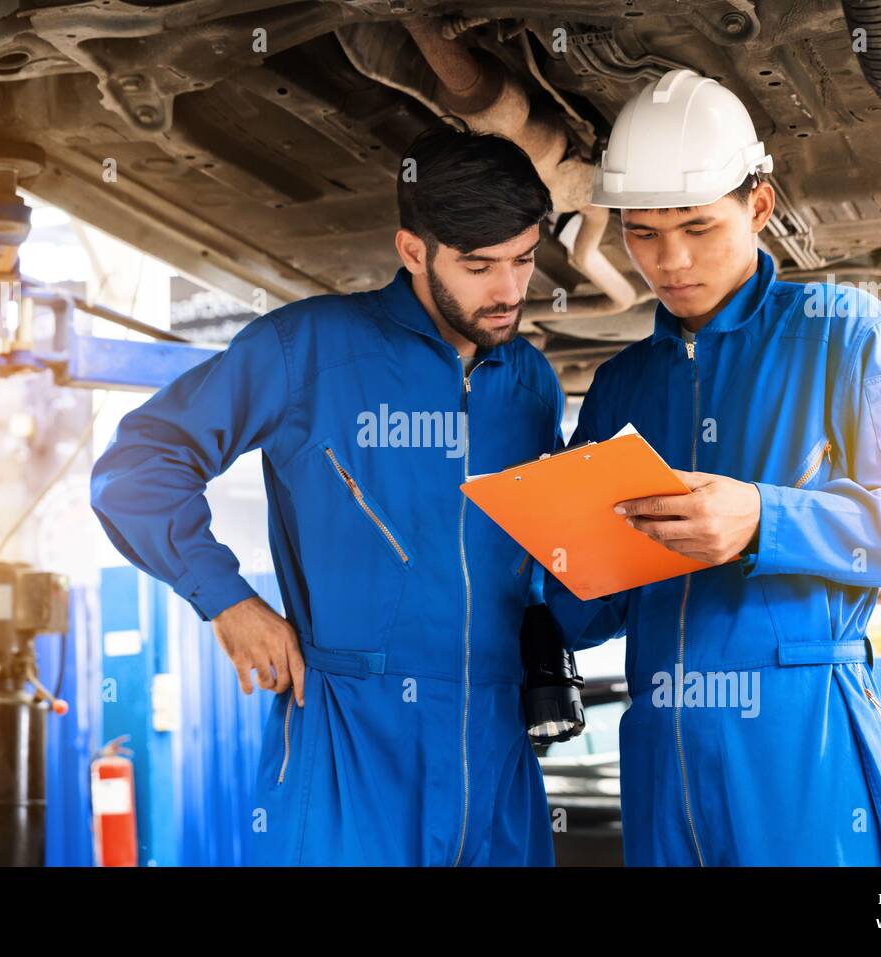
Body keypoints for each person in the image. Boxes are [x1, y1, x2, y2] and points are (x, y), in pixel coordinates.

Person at [545, 69, 881, 866]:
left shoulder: (846, 335)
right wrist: (555, 547)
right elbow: (592, 613)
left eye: (696, 226)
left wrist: (766, 518)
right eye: (642, 233)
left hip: (801, 740)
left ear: (758, 205)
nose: (670, 260)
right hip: (657, 750)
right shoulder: (621, 384)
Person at [90, 122, 565, 865]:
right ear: (413, 250)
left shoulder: (531, 382)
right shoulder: (305, 350)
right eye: (478, 265)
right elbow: (138, 465)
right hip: (350, 748)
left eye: (523, 260)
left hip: (497, 760)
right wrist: (226, 598)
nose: (508, 291)